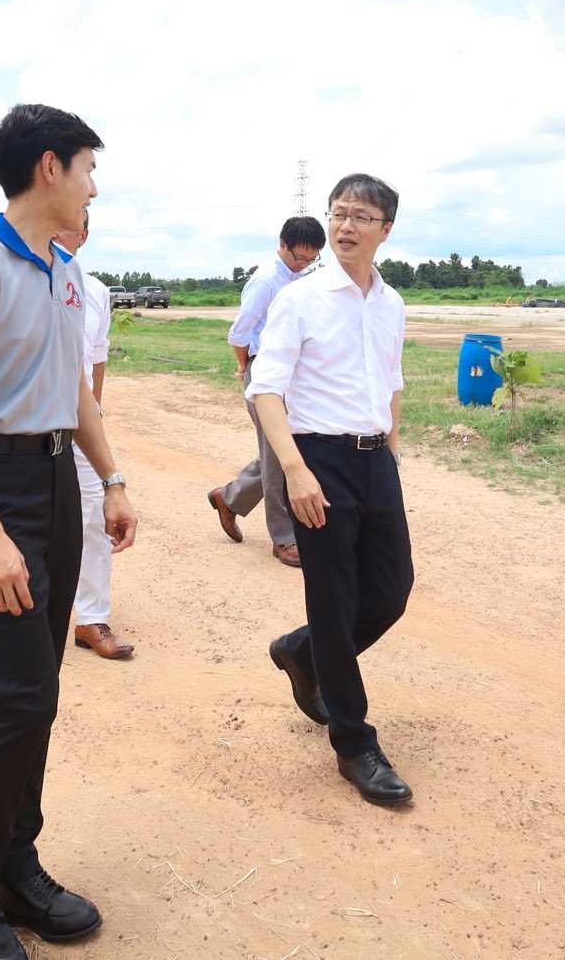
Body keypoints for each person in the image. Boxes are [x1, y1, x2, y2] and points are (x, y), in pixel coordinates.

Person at [0, 104, 138, 960]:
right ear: (51, 167)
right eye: (89, 170)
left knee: (39, 688)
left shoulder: (65, 271)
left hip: (52, 480)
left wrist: (109, 478)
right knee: (21, 695)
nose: (93, 189)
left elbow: (74, 388)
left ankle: (14, 864)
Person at [248, 175, 415, 808]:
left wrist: (392, 452)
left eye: (361, 216)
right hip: (317, 460)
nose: (346, 226)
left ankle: (302, 651)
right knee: (335, 601)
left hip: (376, 461)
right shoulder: (301, 299)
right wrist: (295, 471)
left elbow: (391, 382)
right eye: (339, 214)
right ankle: (353, 743)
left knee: (392, 590)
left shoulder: (391, 303)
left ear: (385, 229)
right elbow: (266, 389)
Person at [205, 215, 325, 567]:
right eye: (298, 257)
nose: (303, 264)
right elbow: (239, 333)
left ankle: (230, 498)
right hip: (265, 371)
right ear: (282, 245)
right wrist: (245, 366)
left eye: (311, 259)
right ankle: (283, 536)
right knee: (276, 457)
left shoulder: (302, 278)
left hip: (294, 373)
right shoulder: (265, 281)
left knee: (288, 446)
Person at [54, 213, 135, 660]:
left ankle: (91, 618)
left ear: (83, 235)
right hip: (30, 423)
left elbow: (96, 355)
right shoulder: (22, 278)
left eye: (70, 223)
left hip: (80, 422)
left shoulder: (95, 291)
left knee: (95, 515)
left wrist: (96, 410)